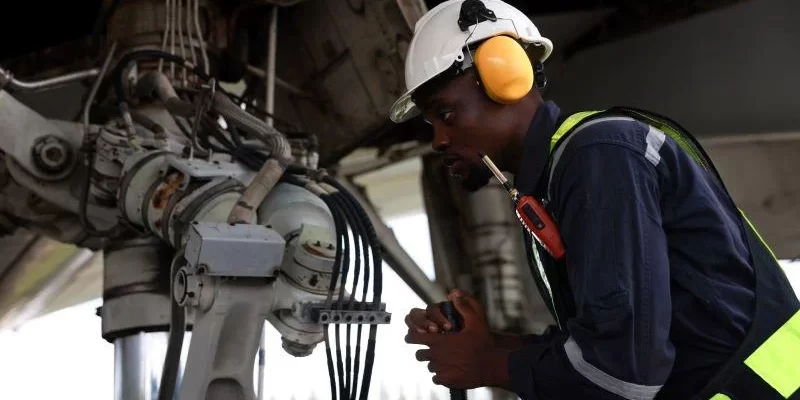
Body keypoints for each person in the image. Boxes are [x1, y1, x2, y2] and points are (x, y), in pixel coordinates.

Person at [388, 1, 800, 399]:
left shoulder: (599, 155)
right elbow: (603, 342)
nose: (439, 141)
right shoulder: (561, 176)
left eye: (446, 115)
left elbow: (624, 373)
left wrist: (488, 363)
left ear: (504, 76)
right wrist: (492, 345)